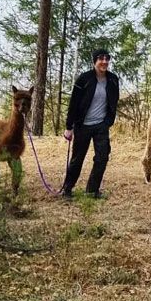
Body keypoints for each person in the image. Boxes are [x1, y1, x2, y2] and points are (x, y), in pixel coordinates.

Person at [62, 49, 119, 199]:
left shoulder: (113, 80)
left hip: (101, 125)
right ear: (95, 61)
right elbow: (73, 103)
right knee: (77, 158)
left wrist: (108, 121)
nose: (104, 62)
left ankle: (92, 191)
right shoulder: (84, 79)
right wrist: (69, 127)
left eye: (107, 59)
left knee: (102, 157)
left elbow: (114, 101)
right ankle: (67, 189)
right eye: (101, 59)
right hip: (83, 125)